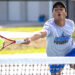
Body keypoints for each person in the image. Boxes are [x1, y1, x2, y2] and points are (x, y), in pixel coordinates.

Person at [21, 2, 75, 75]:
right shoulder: (50, 26)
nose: (59, 11)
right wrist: (30, 38)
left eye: (61, 9)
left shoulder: (71, 24)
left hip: (70, 50)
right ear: (52, 14)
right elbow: (41, 33)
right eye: (56, 10)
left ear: (65, 13)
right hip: (54, 55)